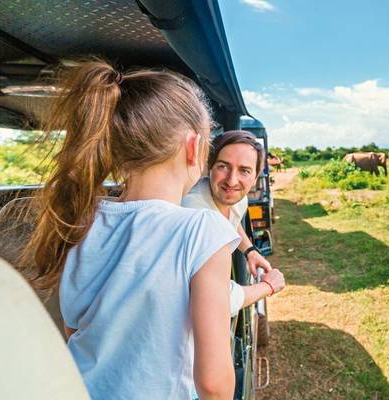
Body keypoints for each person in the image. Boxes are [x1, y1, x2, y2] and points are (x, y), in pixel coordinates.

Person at [26, 59, 238, 399]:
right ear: (193, 147)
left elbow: (75, 328)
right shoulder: (203, 229)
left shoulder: (81, 218)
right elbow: (214, 384)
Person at [182, 131, 285, 316]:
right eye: (223, 166)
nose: (231, 180)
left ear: (255, 178)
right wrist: (268, 286)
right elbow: (217, 302)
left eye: (244, 170)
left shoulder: (237, 199)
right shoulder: (195, 216)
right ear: (209, 167)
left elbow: (233, 221)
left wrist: (249, 251)